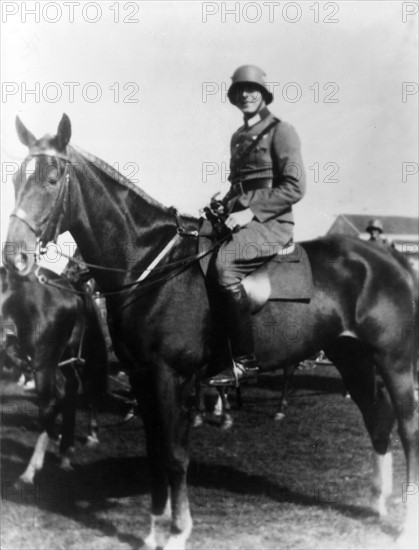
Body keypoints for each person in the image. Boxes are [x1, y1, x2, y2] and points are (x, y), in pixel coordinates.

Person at [207, 65, 306, 386]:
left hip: (272, 223)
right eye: (240, 90)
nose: (246, 94)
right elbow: (242, 185)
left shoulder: (282, 130)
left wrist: (249, 212)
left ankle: (244, 360)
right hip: (241, 219)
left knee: (225, 267)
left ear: (264, 95)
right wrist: (224, 203)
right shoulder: (238, 136)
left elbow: (295, 187)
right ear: (233, 96)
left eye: (253, 89)